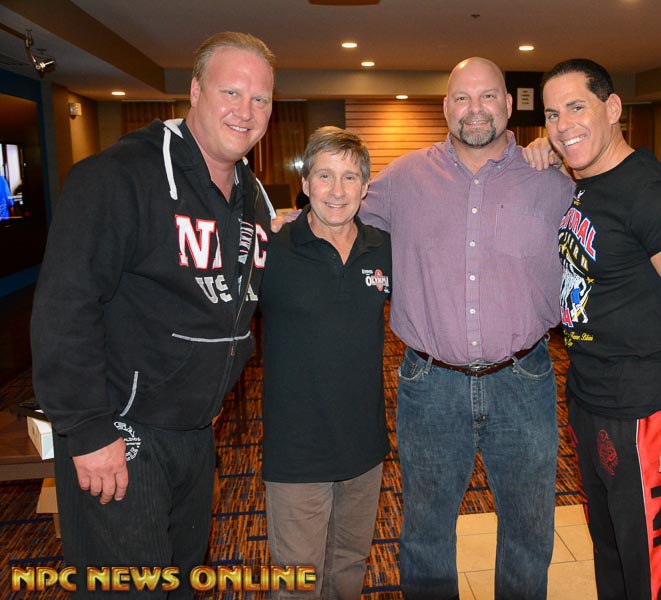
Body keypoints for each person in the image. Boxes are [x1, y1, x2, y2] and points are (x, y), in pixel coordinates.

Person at [30, 32, 275, 597]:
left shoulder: (252, 197)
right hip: (120, 431)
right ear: (195, 91)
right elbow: (64, 307)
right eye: (231, 92)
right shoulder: (119, 177)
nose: (245, 111)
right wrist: (88, 431)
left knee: (181, 580)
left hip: (195, 432)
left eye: (260, 99)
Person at [358, 57, 574, 600]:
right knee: (425, 531)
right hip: (430, 384)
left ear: (509, 105)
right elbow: (334, 211)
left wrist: (561, 153)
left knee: (529, 529)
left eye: (487, 97)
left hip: (524, 380)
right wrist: (273, 225)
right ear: (445, 107)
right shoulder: (403, 179)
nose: (474, 109)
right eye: (461, 98)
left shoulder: (552, 181)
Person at [529, 58, 661, 600]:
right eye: (552, 114)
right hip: (593, 401)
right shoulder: (589, 184)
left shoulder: (654, 193)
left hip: (649, 415)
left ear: (613, 108)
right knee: (615, 557)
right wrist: (547, 152)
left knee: (655, 574)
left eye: (577, 107)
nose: (563, 125)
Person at [260, 127, 390, 599]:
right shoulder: (271, 249)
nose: (337, 190)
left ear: (365, 187)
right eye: (325, 176)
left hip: (364, 446)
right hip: (297, 449)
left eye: (350, 177)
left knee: (349, 567)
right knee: (298, 579)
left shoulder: (382, 247)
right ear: (305, 182)